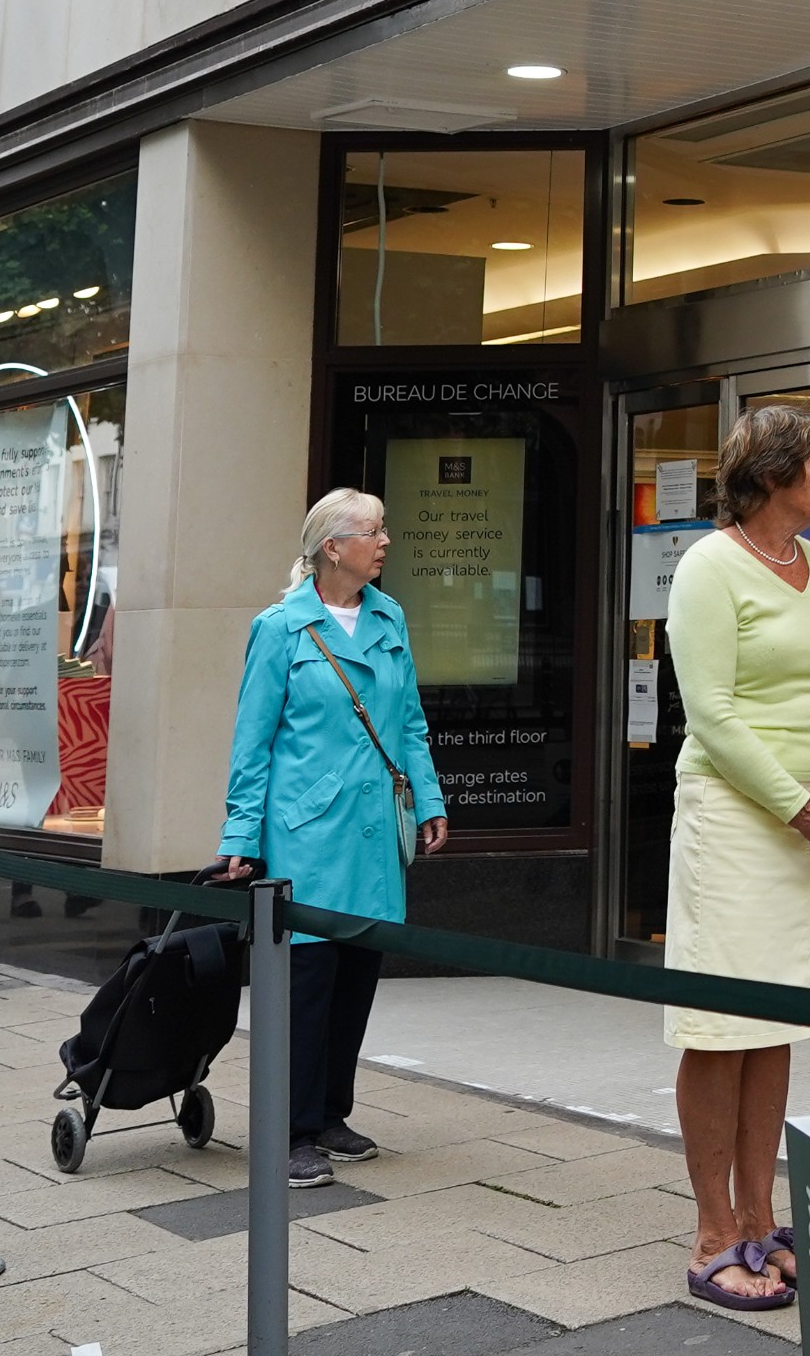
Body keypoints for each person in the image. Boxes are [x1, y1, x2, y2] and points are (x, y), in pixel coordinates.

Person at [664, 406, 810, 1314]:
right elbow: (710, 713)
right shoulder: (709, 566)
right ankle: (712, 1234)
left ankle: (759, 1213)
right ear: (777, 473)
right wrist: (797, 807)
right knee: (720, 1024)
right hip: (739, 821)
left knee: (774, 1015)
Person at [216, 492, 449, 1190]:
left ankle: (330, 1115)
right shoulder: (281, 627)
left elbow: (408, 721)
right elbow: (251, 742)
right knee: (307, 986)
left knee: (356, 977)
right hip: (307, 834)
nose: (385, 541)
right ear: (331, 547)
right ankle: (288, 1129)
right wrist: (241, 834)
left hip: (377, 830)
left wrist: (430, 799)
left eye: (383, 527)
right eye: (371, 531)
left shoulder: (389, 616)